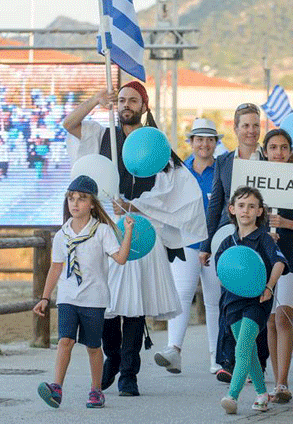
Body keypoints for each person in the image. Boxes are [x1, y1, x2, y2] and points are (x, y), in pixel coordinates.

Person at [63, 81, 206, 397]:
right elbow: (69, 124)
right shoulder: (101, 136)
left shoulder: (156, 145)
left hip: (139, 231)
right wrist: (96, 99)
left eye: (133, 100)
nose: (127, 104)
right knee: (106, 303)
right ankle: (113, 358)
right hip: (103, 233)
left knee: (133, 306)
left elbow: (175, 192)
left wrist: (133, 204)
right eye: (122, 99)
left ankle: (129, 373)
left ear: (144, 106)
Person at [34, 175, 134, 409]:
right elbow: (56, 267)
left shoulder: (101, 232)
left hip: (94, 298)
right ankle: (56, 388)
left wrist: (127, 232)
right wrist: (45, 297)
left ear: (92, 204)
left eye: (82, 199)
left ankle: (96, 390)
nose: (75, 203)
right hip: (68, 298)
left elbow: (120, 259)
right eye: (71, 198)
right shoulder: (62, 235)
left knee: (92, 347)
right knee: (65, 341)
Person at [198, 102, 267, 383]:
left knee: (256, 304)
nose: (251, 131)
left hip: (262, 239)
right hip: (230, 239)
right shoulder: (224, 163)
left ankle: (256, 363)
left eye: (255, 125)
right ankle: (227, 360)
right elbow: (216, 204)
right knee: (229, 300)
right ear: (236, 129)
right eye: (246, 125)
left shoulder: (270, 158)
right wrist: (205, 245)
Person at [153, 118, 222, 374]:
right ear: (191, 142)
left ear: (216, 143)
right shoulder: (178, 171)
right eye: (199, 139)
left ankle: (217, 356)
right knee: (181, 296)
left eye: (209, 139)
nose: (204, 144)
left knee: (214, 301)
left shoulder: (224, 170)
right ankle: (174, 350)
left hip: (215, 243)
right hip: (185, 242)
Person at [216, 186, 288, 414]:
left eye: (251, 206)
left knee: (244, 346)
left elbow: (279, 262)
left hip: (258, 300)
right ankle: (261, 393)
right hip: (232, 303)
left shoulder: (264, 238)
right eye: (241, 205)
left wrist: (269, 285)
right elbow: (222, 271)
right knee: (248, 350)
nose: (246, 210)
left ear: (259, 211)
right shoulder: (227, 242)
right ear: (232, 209)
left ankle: (232, 395)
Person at [260, 129, 293, 402]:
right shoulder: (256, 181)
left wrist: (286, 224)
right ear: (265, 151)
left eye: (283, 147)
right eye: (273, 147)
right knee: (269, 320)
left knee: (283, 316)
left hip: (292, 254)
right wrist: (264, 231)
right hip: (266, 255)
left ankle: (283, 382)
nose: (278, 152)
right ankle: (276, 379)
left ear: (290, 151)